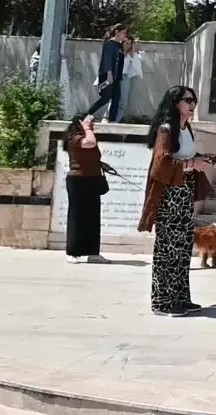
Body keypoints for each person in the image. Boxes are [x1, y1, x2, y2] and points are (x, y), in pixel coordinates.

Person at [137, 86, 215, 317]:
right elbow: (161, 164)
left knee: (182, 248)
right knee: (167, 249)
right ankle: (162, 301)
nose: (192, 105)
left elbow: (185, 156)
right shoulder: (166, 130)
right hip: (169, 196)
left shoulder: (186, 128)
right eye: (187, 100)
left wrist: (200, 159)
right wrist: (191, 165)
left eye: (194, 100)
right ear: (175, 104)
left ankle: (180, 297)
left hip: (184, 193)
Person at [63, 114, 110, 264]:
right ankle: (72, 252)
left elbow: (91, 154)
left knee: (93, 217)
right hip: (77, 180)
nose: (92, 125)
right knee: (76, 217)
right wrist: (86, 127)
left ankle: (93, 252)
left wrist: (101, 164)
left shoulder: (88, 135)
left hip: (93, 179)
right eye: (90, 122)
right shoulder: (74, 136)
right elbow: (89, 143)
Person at [86, 24, 128, 122]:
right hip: (108, 76)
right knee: (106, 98)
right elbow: (107, 60)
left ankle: (112, 120)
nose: (124, 35)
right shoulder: (109, 44)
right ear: (117, 32)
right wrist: (109, 74)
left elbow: (120, 61)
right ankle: (88, 113)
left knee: (116, 99)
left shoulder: (118, 45)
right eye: (123, 33)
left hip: (116, 76)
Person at [115, 37, 144, 124]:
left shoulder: (129, 54)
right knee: (114, 99)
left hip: (125, 78)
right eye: (126, 43)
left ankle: (117, 121)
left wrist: (134, 43)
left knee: (123, 101)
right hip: (116, 78)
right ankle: (108, 118)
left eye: (129, 44)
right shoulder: (117, 52)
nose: (128, 46)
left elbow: (136, 51)